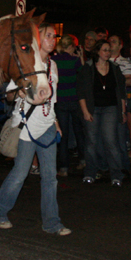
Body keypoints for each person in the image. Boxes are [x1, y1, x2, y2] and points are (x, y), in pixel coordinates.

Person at [0, 23, 71, 236]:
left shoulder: (53, 66)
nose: (53, 40)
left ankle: (52, 223)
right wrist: (22, 93)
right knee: (20, 174)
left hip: (47, 126)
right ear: (38, 39)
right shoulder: (25, 62)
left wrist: (56, 123)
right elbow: (7, 95)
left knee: (50, 177)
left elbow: (52, 100)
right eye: (49, 36)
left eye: (55, 36)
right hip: (26, 127)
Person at [77, 40, 127, 186]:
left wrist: (123, 111)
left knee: (110, 141)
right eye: (105, 50)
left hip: (110, 108)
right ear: (98, 51)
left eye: (109, 50)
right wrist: (85, 111)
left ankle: (116, 174)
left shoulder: (115, 68)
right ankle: (90, 172)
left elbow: (121, 92)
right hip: (93, 108)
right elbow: (81, 93)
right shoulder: (88, 68)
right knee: (91, 142)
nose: (107, 53)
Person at [52, 34, 85, 176]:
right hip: (75, 100)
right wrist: (81, 57)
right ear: (71, 47)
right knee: (79, 132)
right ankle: (83, 160)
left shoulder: (53, 60)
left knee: (63, 135)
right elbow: (83, 75)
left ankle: (64, 168)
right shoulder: (75, 61)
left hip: (60, 100)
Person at [109, 34, 131, 165]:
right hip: (105, 101)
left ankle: (124, 160)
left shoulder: (124, 62)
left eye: (114, 42)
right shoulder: (101, 61)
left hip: (119, 101)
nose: (111, 44)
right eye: (109, 41)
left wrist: (112, 82)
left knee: (121, 131)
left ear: (120, 46)